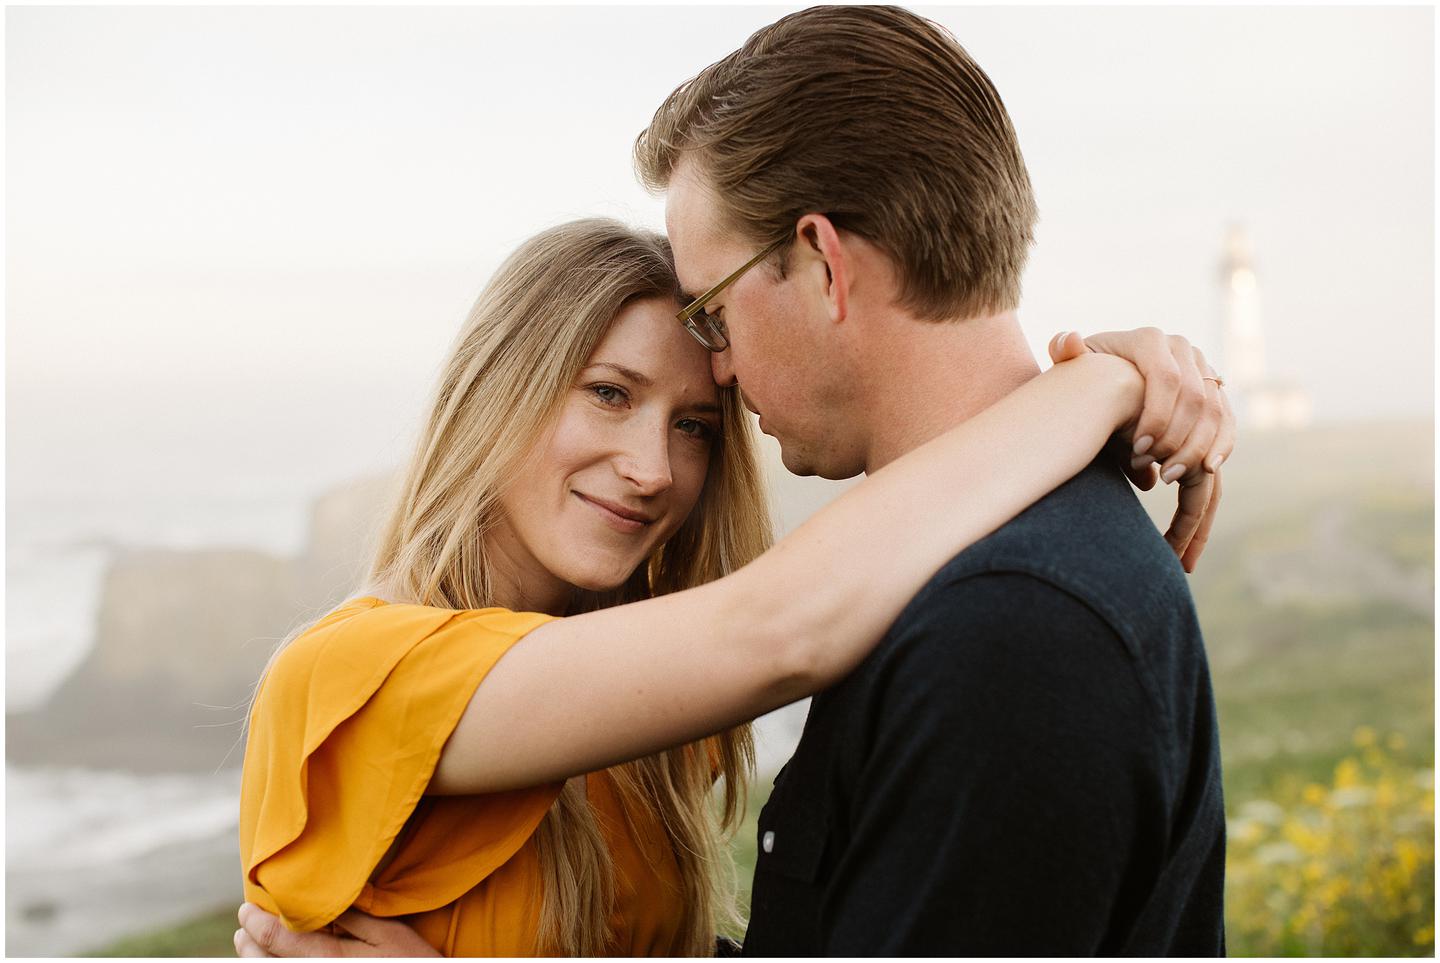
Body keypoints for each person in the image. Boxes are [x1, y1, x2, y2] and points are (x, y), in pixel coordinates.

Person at [232, 214, 1228, 955]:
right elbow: (783, 627)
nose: (653, 468)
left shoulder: (638, 707)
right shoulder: (350, 676)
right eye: (610, 394)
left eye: (695, 426)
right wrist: (1100, 382)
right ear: (498, 387)